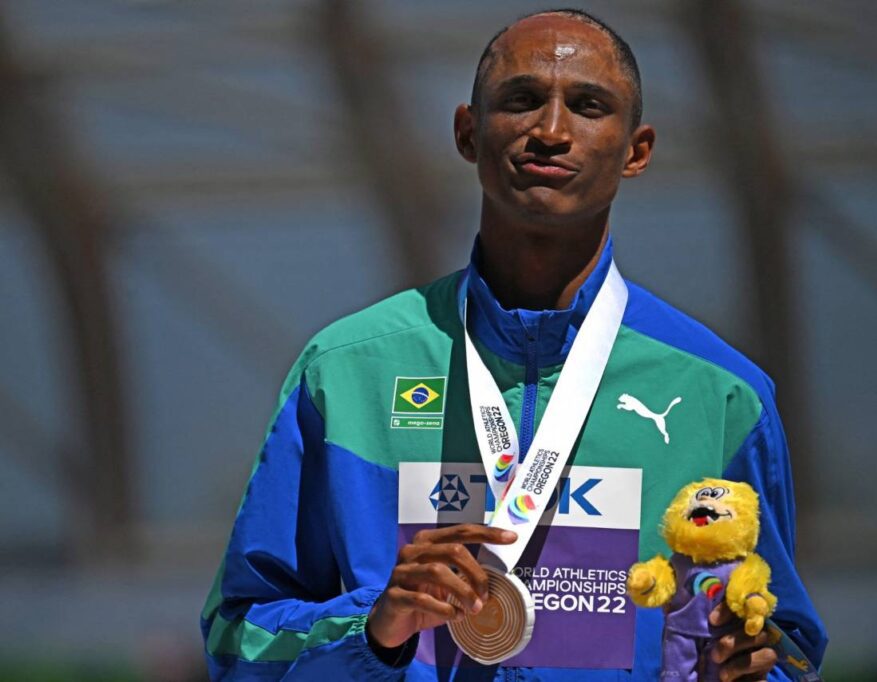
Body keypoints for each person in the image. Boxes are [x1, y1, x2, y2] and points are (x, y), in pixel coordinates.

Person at [200, 8, 827, 681]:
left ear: (636, 149)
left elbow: (785, 643)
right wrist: (375, 630)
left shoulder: (722, 394)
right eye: (521, 101)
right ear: (469, 133)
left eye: (588, 106)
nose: (550, 131)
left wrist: (756, 668)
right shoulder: (346, 372)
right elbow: (237, 643)